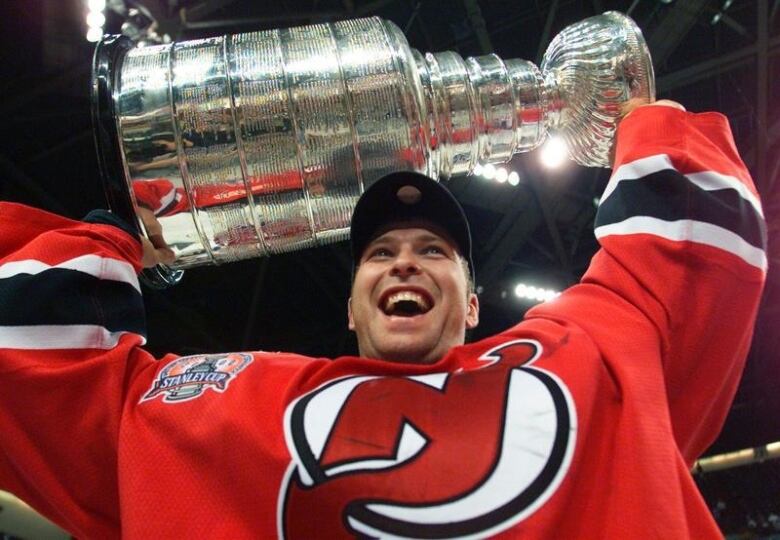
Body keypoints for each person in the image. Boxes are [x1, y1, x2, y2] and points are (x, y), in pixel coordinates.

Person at [0, 100, 767, 539]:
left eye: (433, 250)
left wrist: (643, 111)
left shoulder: (583, 350)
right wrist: (118, 233)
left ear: (471, 302)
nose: (403, 262)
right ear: (352, 305)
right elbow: (51, 386)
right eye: (379, 254)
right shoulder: (237, 399)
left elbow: (690, 249)